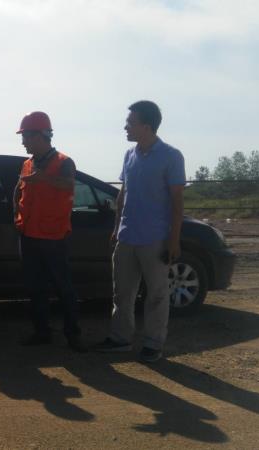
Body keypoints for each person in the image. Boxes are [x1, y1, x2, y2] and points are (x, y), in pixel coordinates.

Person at [93, 100, 186, 363]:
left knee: (156, 294)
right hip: (127, 237)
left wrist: (174, 240)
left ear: (146, 126)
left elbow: (177, 202)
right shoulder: (129, 155)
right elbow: (123, 194)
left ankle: (153, 344)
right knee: (122, 293)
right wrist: (116, 228)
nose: (126, 127)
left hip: (155, 239)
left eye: (130, 123)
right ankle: (120, 339)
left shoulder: (171, 156)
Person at [12, 111, 85, 352]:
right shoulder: (27, 164)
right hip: (29, 235)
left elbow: (68, 184)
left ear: (39, 136)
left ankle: (73, 334)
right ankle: (42, 332)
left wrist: (44, 178)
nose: (23, 142)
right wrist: (16, 216)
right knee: (35, 288)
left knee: (64, 288)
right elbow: (18, 191)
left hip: (54, 237)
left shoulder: (64, 162)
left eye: (25, 137)